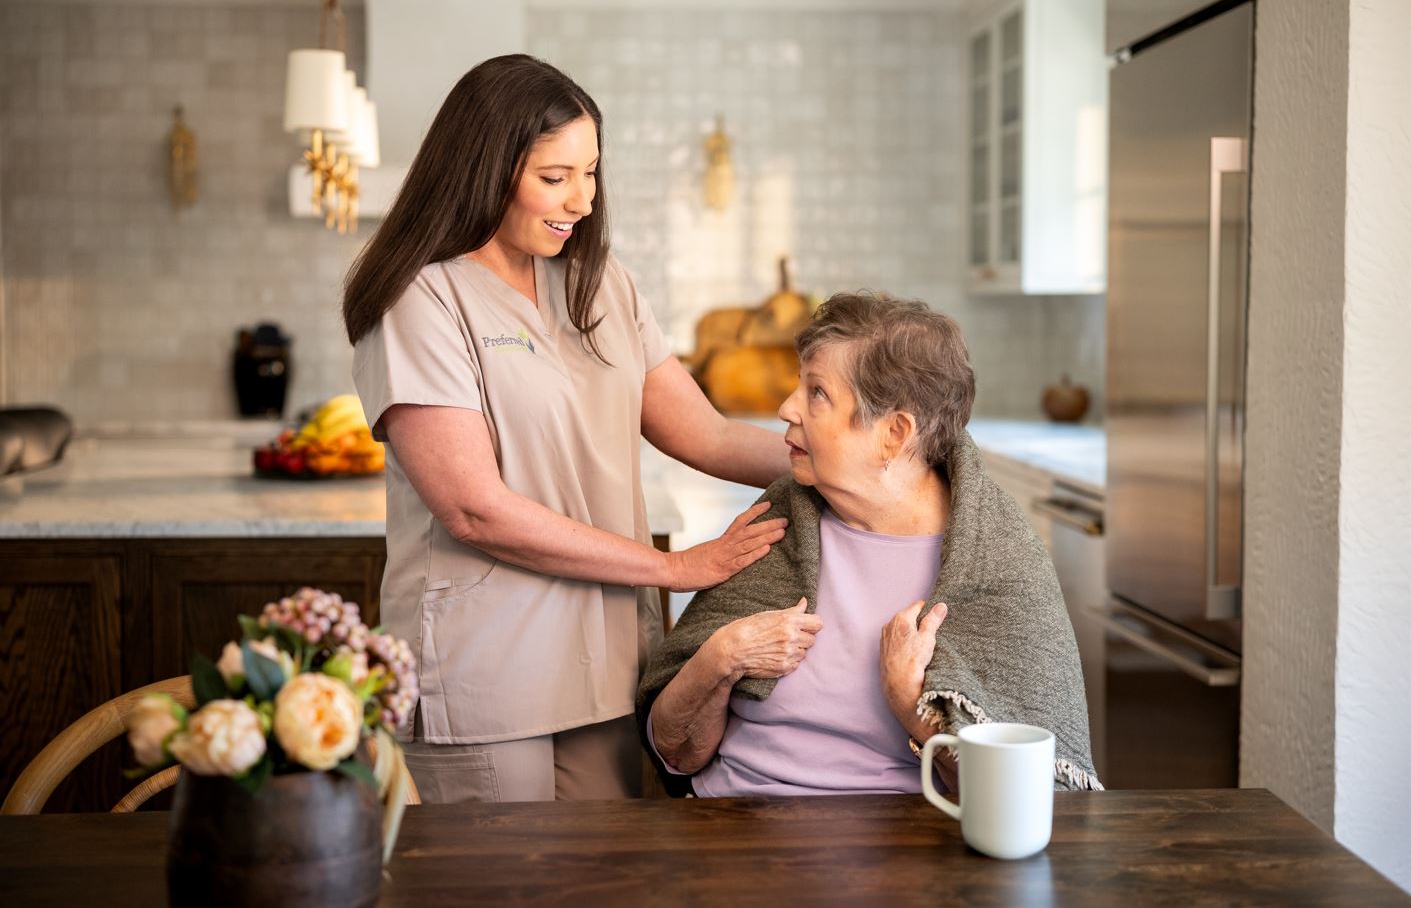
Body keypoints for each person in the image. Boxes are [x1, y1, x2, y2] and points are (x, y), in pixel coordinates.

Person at [344, 54, 790, 803]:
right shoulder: (420, 296)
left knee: (610, 880)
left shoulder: (600, 280)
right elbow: (472, 507)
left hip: (611, 658)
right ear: (483, 169)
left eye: (590, 173)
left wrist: (859, 461)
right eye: (555, 177)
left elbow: (706, 435)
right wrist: (678, 568)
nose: (580, 199)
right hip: (488, 664)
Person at [638, 293, 1102, 796]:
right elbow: (676, 753)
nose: (786, 407)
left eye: (816, 393)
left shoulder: (997, 560)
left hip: (907, 843)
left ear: (894, 434)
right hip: (732, 824)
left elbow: (1015, 796)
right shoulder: (777, 526)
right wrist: (722, 657)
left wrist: (912, 708)